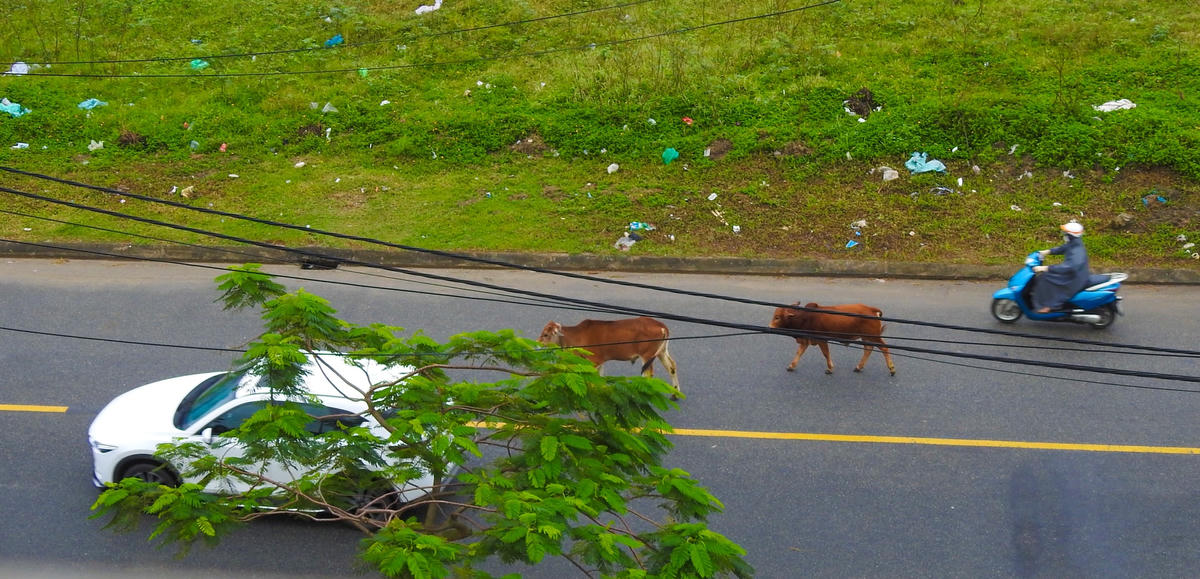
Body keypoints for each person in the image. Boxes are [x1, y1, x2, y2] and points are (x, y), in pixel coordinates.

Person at [1031, 221, 1090, 313]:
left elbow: (1068, 267)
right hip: (1074, 274)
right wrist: (1047, 251)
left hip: (1074, 278)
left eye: (1065, 233)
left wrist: (1046, 268)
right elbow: (1063, 248)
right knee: (1045, 276)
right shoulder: (1074, 243)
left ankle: (1049, 306)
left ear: (1070, 235)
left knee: (1045, 277)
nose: (1064, 234)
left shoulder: (1077, 251)